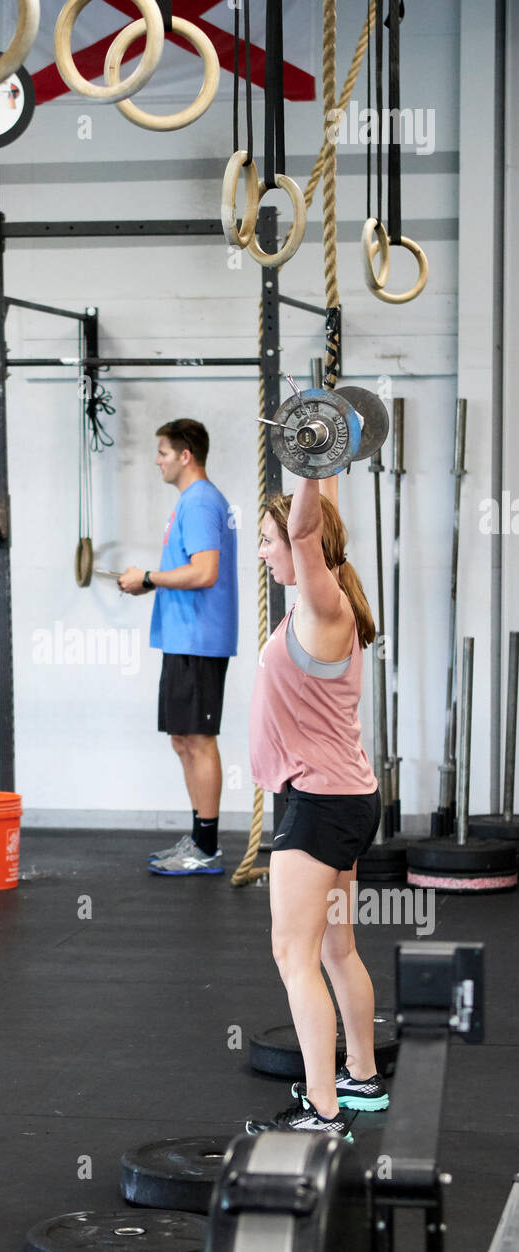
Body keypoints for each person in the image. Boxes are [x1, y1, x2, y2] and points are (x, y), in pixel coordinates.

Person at [245, 476, 387, 1141]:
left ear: (300, 546)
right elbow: (316, 518)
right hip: (345, 799)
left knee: (291, 953)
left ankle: (325, 1112)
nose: (264, 552)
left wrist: (302, 467)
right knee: (336, 947)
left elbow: (307, 528)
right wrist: (320, 454)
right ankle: (360, 1074)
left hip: (320, 807)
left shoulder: (321, 605)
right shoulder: (325, 604)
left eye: (267, 541)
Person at [118, 419, 239, 876]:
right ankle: (199, 839)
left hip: (200, 640)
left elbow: (206, 571)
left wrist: (149, 577)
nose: (157, 460)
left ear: (186, 455)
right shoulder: (191, 502)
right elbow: (191, 571)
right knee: (182, 739)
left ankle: (206, 848)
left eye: (163, 452)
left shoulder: (202, 501)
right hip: (183, 638)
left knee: (199, 739)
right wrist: (150, 584)